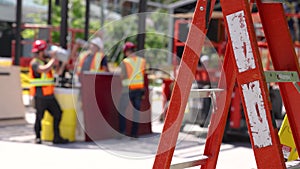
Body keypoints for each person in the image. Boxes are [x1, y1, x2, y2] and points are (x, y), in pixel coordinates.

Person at [29, 40, 69, 144]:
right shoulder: (35, 63)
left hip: (50, 96)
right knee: (39, 117)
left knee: (58, 114)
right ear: (39, 52)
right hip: (40, 95)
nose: (46, 52)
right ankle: (37, 137)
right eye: (44, 50)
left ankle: (57, 137)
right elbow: (43, 70)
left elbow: (58, 72)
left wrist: (63, 63)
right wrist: (53, 58)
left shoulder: (47, 62)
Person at [118, 42, 146, 138]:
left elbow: (122, 76)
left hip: (127, 90)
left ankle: (122, 131)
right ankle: (134, 134)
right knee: (136, 112)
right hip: (139, 89)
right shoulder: (142, 61)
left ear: (126, 52)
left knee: (121, 110)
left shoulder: (125, 62)